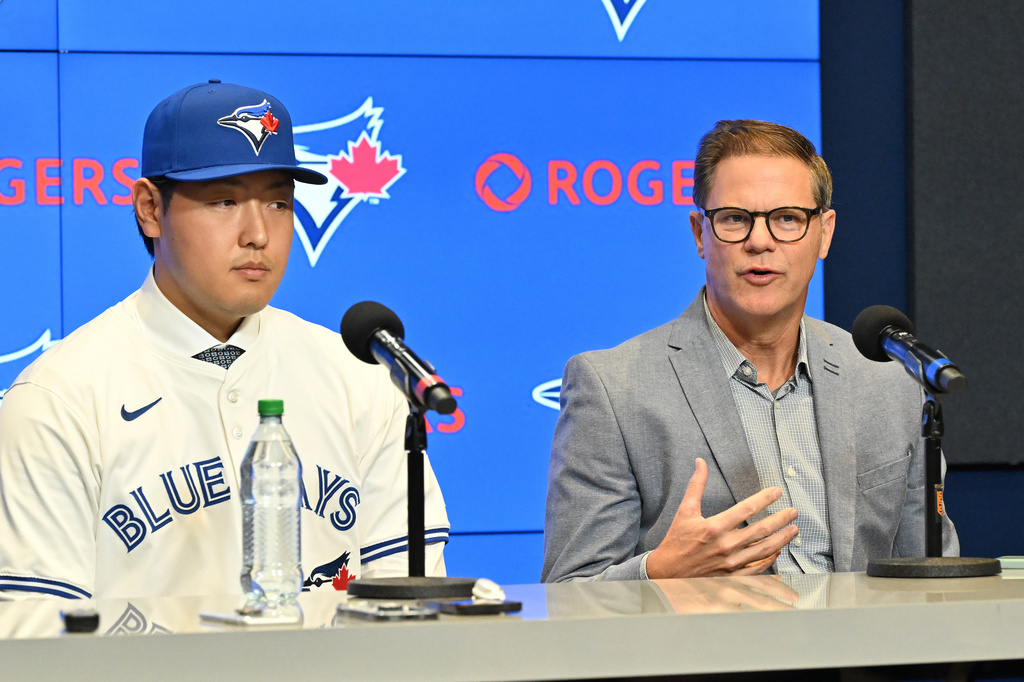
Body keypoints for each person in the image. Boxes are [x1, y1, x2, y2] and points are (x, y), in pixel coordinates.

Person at [0, 81, 449, 600]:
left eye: (279, 203)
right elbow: (37, 634)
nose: (257, 233)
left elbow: (411, 606)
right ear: (149, 208)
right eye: (223, 200)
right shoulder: (59, 398)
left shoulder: (358, 377)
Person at [542, 119, 959, 582]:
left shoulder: (886, 379)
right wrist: (660, 571)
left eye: (787, 219)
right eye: (736, 219)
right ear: (700, 234)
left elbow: (932, 577)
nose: (760, 242)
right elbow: (568, 592)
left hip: (860, 652)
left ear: (824, 232)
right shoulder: (613, 389)